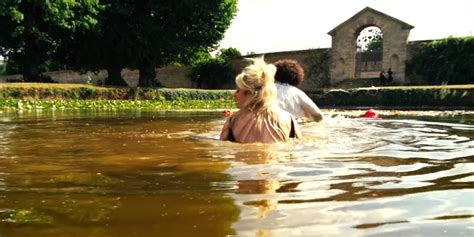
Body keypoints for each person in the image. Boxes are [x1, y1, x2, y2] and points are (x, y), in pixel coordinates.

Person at [220, 58, 301, 143]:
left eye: (238, 91)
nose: (234, 95)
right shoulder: (289, 119)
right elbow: (298, 147)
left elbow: (223, 147)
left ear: (250, 93)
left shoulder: (233, 120)